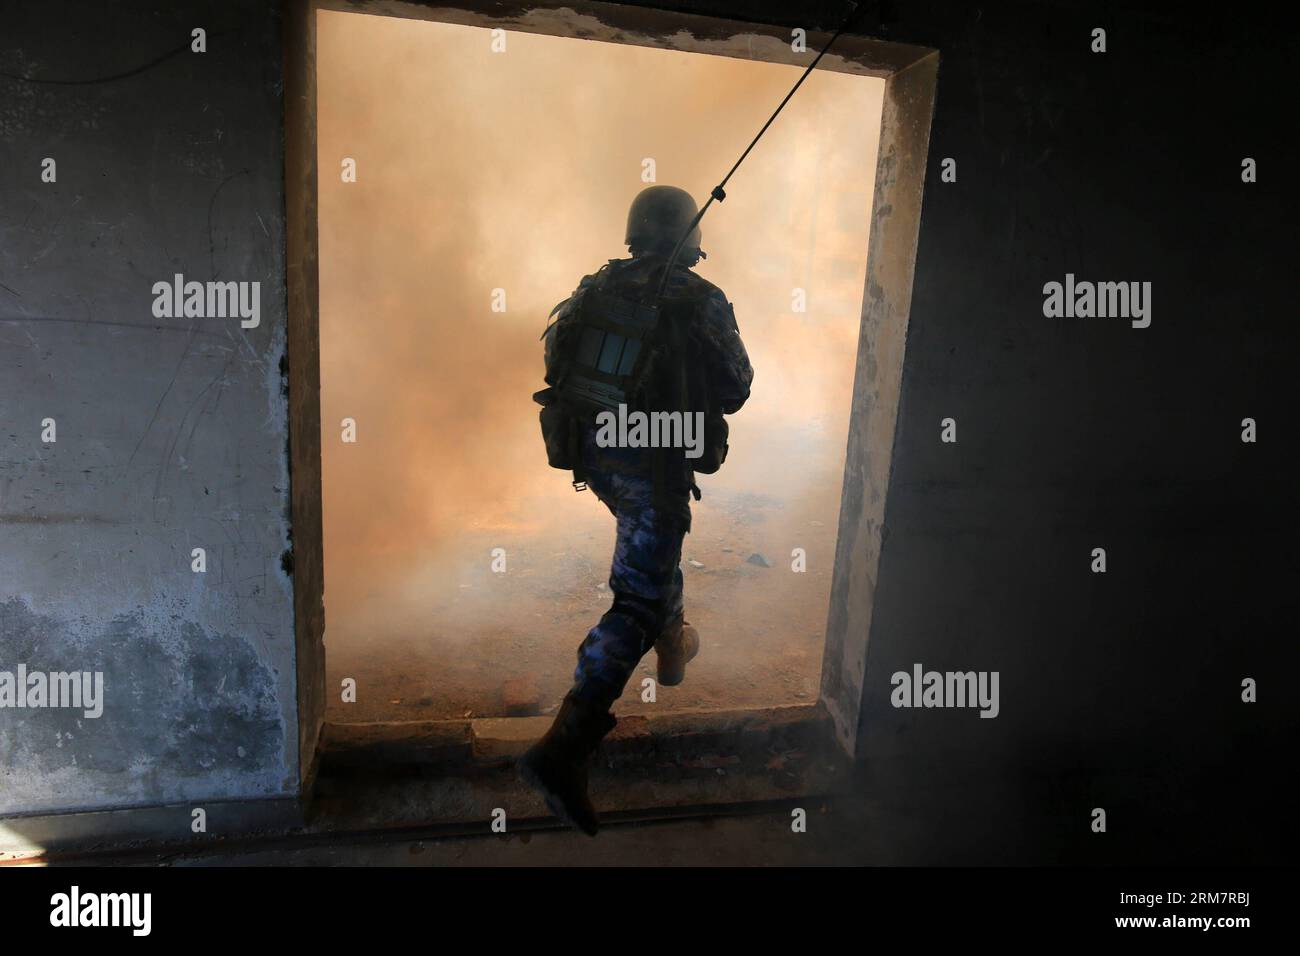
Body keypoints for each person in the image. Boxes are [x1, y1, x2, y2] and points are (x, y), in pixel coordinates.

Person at [521, 184, 753, 835]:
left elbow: (557, 361)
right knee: (636, 599)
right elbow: (737, 387)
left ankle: (673, 641)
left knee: (651, 554)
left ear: (634, 232)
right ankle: (562, 750)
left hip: (598, 460)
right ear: (690, 238)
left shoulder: (595, 287)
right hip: (653, 469)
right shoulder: (698, 299)